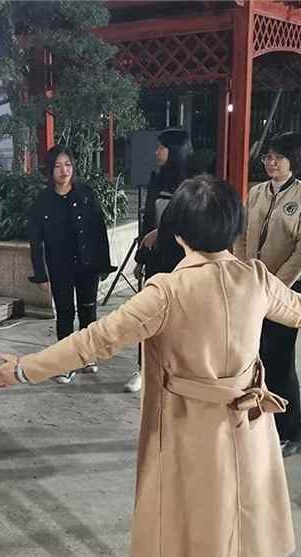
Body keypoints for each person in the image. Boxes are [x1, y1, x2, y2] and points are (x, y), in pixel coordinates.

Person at [0, 176, 301, 557]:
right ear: (235, 226)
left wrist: (26, 369)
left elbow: (93, 342)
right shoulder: (255, 278)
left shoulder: (166, 291)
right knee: (241, 523)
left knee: (194, 531)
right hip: (249, 423)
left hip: (191, 429)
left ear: (179, 232)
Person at [232, 131, 301, 458]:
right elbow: (242, 234)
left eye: (278, 157)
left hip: (285, 289)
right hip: (253, 285)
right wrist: (245, 270)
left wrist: (275, 287)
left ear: (294, 160)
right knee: (255, 356)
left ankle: (292, 431)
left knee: (281, 361)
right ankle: (262, 423)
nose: (271, 162)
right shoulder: (257, 192)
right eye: (267, 156)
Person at [28, 145, 115, 384]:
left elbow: (99, 231)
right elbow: (36, 241)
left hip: (87, 265)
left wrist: (103, 264)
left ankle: (87, 356)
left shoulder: (86, 195)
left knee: (88, 311)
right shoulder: (43, 201)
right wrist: (41, 274)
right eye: (58, 166)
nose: (64, 170)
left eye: (67, 165)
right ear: (50, 170)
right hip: (60, 268)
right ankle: (65, 363)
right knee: (65, 314)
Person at [125, 127, 193, 393]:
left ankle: (175, 371)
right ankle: (143, 369)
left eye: (161, 147)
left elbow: (190, 226)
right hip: (155, 262)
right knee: (147, 316)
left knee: (177, 321)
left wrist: (161, 233)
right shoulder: (157, 179)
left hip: (181, 265)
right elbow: (147, 224)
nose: (156, 152)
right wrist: (140, 259)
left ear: (174, 150)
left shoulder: (193, 184)